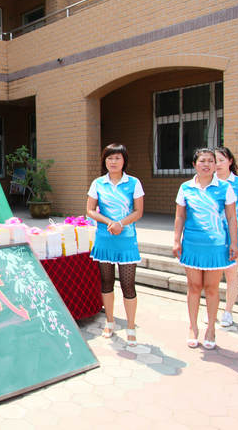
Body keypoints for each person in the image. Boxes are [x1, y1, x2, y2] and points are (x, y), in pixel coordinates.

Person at [173, 148, 238, 350]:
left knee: (211, 289)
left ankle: (211, 328)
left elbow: (231, 217)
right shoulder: (186, 188)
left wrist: (234, 243)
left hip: (216, 247)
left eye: (211, 161)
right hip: (192, 245)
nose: (207, 164)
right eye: (202, 161)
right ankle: (193, 328)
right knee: (194, 287)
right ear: (194, 164)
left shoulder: (225, 187)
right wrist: (176, 240)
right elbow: (180, 216)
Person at [86, 143, 144, 346]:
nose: (113, 161)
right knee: (106, 282)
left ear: (124, 160)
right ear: (104, 161)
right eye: (109, 158)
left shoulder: (134, 183)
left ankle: (131, 326)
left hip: (127, 241)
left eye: (117, 158)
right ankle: (109, 322)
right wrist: (109, 222)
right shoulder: (98, 183)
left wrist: (121, 224)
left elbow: (138, 211)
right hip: (104, 240)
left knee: (128, 285)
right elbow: (90, 210)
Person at [214, 147, 238, 327]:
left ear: (230, 161)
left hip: (232, 236)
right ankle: (212, 311)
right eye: (215, 160)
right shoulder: (208, 182)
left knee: (231, 275)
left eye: (221, 160)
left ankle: (228, 312)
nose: (218, 164)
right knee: (212, 277)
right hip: (212, 236)